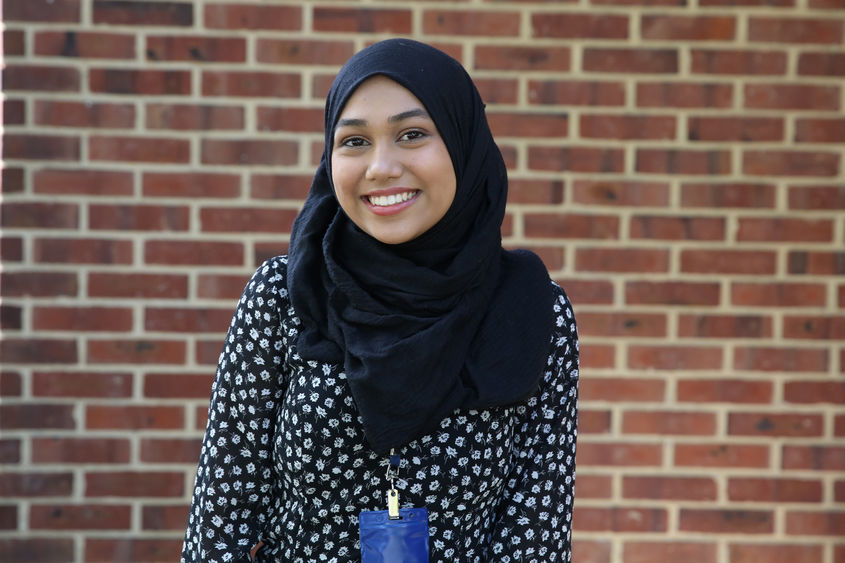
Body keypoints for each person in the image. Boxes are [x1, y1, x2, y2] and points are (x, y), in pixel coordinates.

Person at [181, 38, 579, 563]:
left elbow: (536, 535)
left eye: (412, 134)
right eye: (354, 142)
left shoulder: (535, 311)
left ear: (463, 143)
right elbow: (220, 521)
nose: (381, 167)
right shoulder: (283, 295)